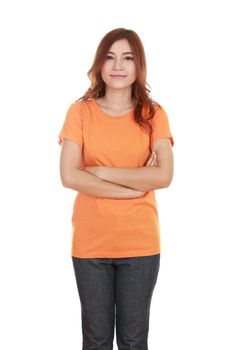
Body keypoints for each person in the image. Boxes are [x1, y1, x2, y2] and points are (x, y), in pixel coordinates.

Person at [58, 28, 174, 350]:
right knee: (95, 341)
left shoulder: (153, 115)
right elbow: (69, 176)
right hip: (90, 244)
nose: (118, 66)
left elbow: (164, 176)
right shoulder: (79, 112)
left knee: (134, 342)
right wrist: (134, 186)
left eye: (127, 58)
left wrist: (100, 172)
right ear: (99, 64)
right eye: (109, 57)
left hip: (140, 246)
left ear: (139, 66)